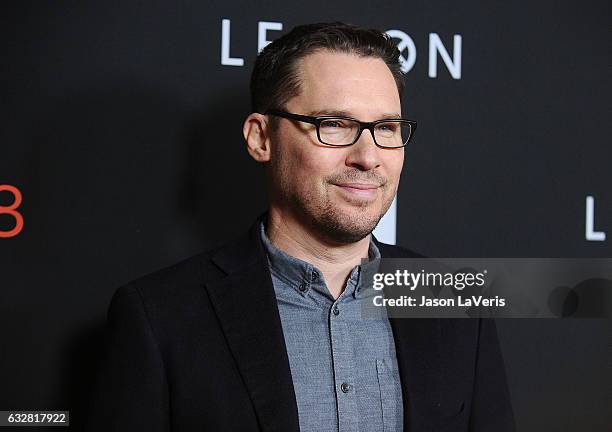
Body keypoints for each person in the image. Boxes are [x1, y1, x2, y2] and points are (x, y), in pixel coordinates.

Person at [88, 22, 515, 432]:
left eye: (386, 128)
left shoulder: (456, 303)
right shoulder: (160, 317)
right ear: (261, 138)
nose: (368, 157)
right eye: (333, 124)